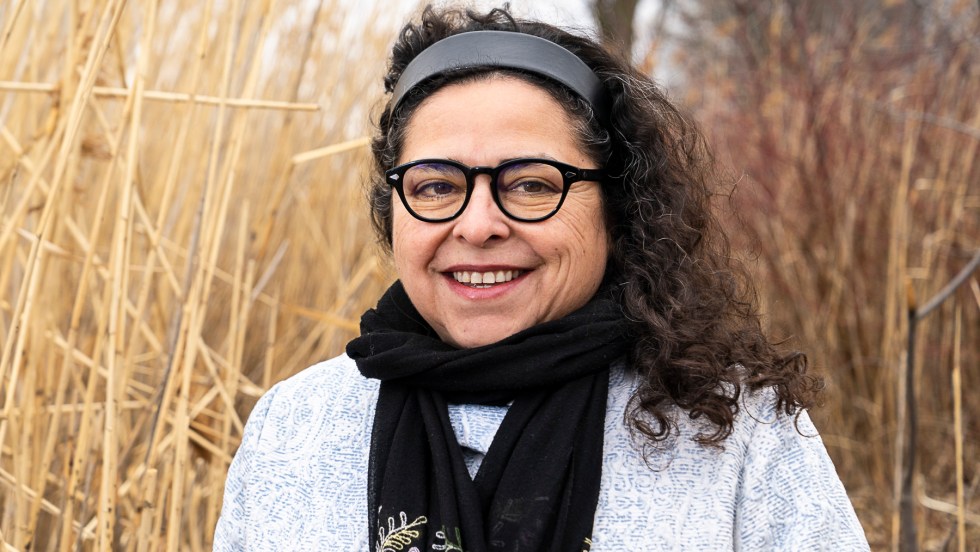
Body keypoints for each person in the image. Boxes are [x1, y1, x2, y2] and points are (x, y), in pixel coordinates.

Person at [214, 5, 869, 551]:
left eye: (529, 184)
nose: (477, 225)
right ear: (395, 210)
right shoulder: (295, 427)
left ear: (617, 206)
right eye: (437, 186)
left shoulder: (732, 428)